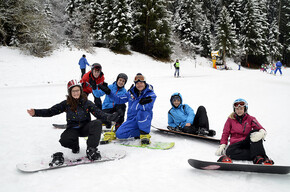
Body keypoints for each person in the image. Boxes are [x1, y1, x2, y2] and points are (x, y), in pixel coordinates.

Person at [27, 80, 118, 164]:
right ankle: (75, 146)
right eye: (73, 91)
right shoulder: (66, 103)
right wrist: (36, 112)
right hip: (72, 129)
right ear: (70, 92)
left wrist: (109, 117)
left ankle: (91, 150)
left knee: (97, 123)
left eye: (77, 90)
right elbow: (51, 111)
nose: (76, 93)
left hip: (85, 127)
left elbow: (98, 113)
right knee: (64, 140)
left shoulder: (87, 102)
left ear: (81, 91)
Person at [98, 73, 156, 145]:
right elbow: (119, 99)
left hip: (143, 118)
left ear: (145, 83)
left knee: (142, 113)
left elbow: (148, 107)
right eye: (137, 83)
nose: (139, 85)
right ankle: (139, 132)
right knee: (119, 134)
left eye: (141, 83)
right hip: (131, 120)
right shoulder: (130, 93)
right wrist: (109, 92)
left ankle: (144, 135)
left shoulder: (150, 94)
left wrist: (142, 103)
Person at [215, 98, 274, 165]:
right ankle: (256, 155)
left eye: (241, 109)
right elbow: (225, 133)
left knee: (255, 132)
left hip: (247, 142)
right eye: (237, 109)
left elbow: (260, 128)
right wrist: (222, 145)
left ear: (245, 109)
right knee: (229, 152)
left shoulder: (251, 119)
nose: (239, 111)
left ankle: (261, 157)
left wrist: (262, 133)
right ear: (234, 109)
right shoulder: (230, 120)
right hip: (236, 144)